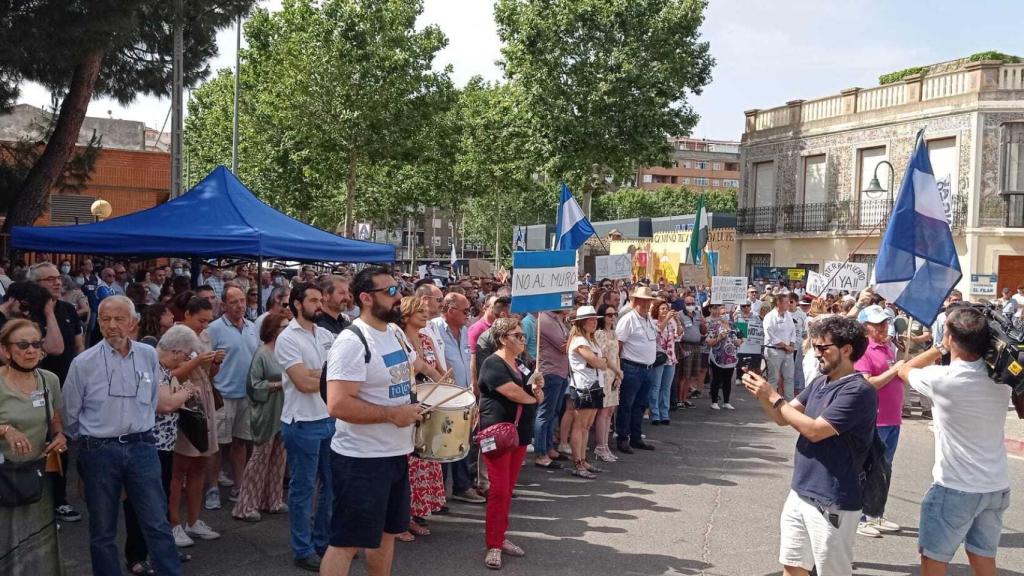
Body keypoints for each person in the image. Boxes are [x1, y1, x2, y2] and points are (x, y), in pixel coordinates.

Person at [742, 315, 876, 576]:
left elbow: (815, 431)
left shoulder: (858, 391)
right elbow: (782, 418)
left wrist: (774, 397)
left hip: (833, 498)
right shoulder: (820, 383)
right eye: (814, 347)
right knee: (793, 566)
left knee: (832, 571)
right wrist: (762, 396)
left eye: (823, 348)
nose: (817, 354)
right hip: (801, 490)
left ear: (846, 349)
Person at [63, 296, 182, 576]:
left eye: (119, 319)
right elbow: (70, 415)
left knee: (156, 522)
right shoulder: (83, 363)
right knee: (103, 529)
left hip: (142, 446)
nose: (112, 326)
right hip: (99, 450)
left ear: (133, 323)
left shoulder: (147, 354)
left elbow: (152, 398)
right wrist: (84, 454)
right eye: (105, 319)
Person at [320, 267, 424, 576]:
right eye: (390, 292)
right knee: (346, 543)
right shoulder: (352, 341)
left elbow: (406, 378)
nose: (399, 297)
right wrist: (392, 415)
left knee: (386, 534)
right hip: (361, 460)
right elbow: (337, 403)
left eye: (399, 289)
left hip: (393, 454)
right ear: (366, 298)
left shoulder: (393, 333)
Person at [897, 305, 1012, 576]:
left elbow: (905, 369)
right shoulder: (1003, 379)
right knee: (983, 556)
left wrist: (939, 348)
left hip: (955, 487)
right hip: (995, 486)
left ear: (950, 338)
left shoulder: (942, 379)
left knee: (933, 560)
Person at [124, 325, 199, 574]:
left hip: (162, 444)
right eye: (187, 355)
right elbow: (165, 404)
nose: (186, 359)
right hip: (149, 445)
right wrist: (187, 392)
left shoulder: (163, 367)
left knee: (160, 500)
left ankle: (160, 552)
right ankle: (137, 556)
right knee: (144, 503)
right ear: (177, 351)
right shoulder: (154, 366)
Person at [274, 282, 335, 572]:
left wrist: (318, 376)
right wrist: (323, 377)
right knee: (302, 490)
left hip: (329, 419)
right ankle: (303, 549)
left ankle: (323, 543)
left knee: (332, 486)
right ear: (297, 303)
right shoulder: (287, 338)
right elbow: (302, 382)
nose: (319, 304)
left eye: (320, 299)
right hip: (301, 423)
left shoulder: (325, 334)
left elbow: (337, 376)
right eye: (313, 300)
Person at [0, 319, 68, 576]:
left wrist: (60, 437)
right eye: (23, 345)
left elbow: (56, 423)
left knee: (36, 547)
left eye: (36, 344)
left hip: (34, 478)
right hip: (3, 479)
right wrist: (6, 429)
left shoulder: (49, 380)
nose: (31, 350)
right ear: (6, 350)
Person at [477, 317, 540, 569]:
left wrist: (538, 387)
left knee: (508, 488)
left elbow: (535, 394)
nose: (523, 340)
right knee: (500, 490)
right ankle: (493, 543)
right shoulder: (493, 363)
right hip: (498, 434)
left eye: (523, 335)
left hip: (519, 433)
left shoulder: (522, 363)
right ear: (503, 338)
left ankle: (500, 537)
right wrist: (533, 398)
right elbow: (513, 393)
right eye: (517, 335)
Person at [27, 262, 84, 523]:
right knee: (37, 444)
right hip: (36, 388)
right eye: (49, 280)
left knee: (60, 444)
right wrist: (49, 313)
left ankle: (60, 500)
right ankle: (35, 501)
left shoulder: (70, 309)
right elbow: (54, 348)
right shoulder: (28, 314)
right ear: (35, 285)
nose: (57, 283)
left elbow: (79, 348)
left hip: (66, 386)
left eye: (58, 278)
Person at [169, 298, 222, 547]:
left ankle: (194, 520)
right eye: (200, 320)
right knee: (179, 467)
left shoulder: (205, 337)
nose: (204, 326)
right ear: (187, 314)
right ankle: (174, 523)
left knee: (201, 463)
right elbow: (169, 373)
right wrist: (196, 362)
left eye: (208, 321)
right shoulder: (175, 336)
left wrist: (216, 363)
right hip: (185, 402)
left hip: (205, 398)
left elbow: (209, 375)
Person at [850, 304, 906, 538]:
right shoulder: (863, 351)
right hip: (876, 419)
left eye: (885, 322)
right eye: (878, 324)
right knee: (869, 469)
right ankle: (860, 516)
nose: (884, 327)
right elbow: (867, 384)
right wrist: (895, 372)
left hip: (893, 419)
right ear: (865, 328)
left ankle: (875, 513)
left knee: (884, 469)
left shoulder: (889, 347)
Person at [231, 312, 290, 523]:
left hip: (285, 410)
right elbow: (253, 386)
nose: (287, 330)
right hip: (266, 412)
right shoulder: (262, 353)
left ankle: (272, 500)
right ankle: (245, 505)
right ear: (273, 330)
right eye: (283, 327)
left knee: (279, 459)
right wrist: (277, 384)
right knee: (259, 459)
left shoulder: (287, 351)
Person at [396, 296, 446, 542]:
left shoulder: (426, 339)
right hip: (406, 404)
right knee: (408, 465)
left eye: (427, 311)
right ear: (406, 314)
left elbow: (431, 367)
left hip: (428, 404)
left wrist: (446, 389)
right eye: (420, 311)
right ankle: (400, 520)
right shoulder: (398, 339)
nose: (426, 314)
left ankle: (414, 514)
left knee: (423, 460)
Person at [204, 285, 259, 506]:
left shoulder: (252, 327)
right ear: (224, 305)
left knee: (240, 444)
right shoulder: (214, 329)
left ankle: (239, 486)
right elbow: (206, 362)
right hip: (222, 394)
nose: (240, 306)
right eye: (234, 302)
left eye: (242, 300)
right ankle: (212, 489)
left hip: (246, 394)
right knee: (217, 446)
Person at [429, 292, 486, 504]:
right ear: (450, 310)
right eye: (465, 311)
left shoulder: (465, 330)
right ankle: (439, 493)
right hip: (443, 398)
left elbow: (468, 359)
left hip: (464, 396)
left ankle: (462, 486)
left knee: (463, 442)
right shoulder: (433, 328)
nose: (468, 315)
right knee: (443, 445)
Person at [614, 286, 659, 453]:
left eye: (649, 301)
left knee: (640, 404)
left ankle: (636, 436)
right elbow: (618, 344)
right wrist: (617, 368)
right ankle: (623, 438)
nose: (648, 304)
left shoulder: (647, 319)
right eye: (645, 301)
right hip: (631, 367)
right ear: (636, 301)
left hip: (647, 368)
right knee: (627, 404)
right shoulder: (628, 319)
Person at [566, 306, 607, 478]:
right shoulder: (579, 341)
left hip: (594, 385)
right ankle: (577, 462)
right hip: (584, 386)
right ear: (581, 323)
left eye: (595, 319)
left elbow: (600, 361)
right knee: (580, 425)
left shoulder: (588, 340)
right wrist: (600, 361)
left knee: (587, 426)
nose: (594, 322)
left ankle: (582, 459)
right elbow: (597, 362)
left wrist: (600, 362)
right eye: (590, 319)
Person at [533, 308, 570, 469]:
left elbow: (566, 342)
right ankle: (541, 453)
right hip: (550, 372)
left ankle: (549, 448)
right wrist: (576, 331)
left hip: (560, 371)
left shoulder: (557, 318)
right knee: (544, 413)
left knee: (553, 412)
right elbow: (564, 346)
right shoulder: (545, 319)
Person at [592, 304, 622, 463]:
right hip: (604, 373)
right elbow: (603, 356)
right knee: (603, 412)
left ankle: (605, 445)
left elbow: (616, 354)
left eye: (614, 314)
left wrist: (619, 372)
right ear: (602, 317)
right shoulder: (599, 333)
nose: (612, 317)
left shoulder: (614, 333)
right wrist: (616, 370)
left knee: (610, 411)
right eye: (609, 315)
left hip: (615, 373)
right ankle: (600, 446)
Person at [649, 299, 678, 425]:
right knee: (656, 387)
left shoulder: (671, 322)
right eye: (662, 309)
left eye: (667, 308)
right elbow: (659, 330)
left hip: (670, 358)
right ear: (657, 310)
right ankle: (655, 414)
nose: (665, 310)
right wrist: (667, 318)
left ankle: (664, 414)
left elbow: (679, 335)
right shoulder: (653, 322)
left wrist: (677, 320)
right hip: (659, 358)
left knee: (666, 387)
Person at [707, 304, 741, 410]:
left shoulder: (733, 326)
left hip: (730, 357)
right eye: (722, 313)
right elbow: (710, 342)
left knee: (728, 380)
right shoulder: (714, 326)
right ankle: (714, 402)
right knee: (716, 379)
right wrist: (719, 337)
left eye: (726, 313)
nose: (725, 315)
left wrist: (738, 341)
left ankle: (726, 402)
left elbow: (740, 338)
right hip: (717, 357)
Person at [763, 294, 797, 400]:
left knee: (789, 377)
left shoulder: (788, 315)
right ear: (778, 303)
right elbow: (770, 336)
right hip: (774, 351)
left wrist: (791, 344)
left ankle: (789, 401)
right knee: (774, 378)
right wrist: (786, 346)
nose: (789, 304)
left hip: (788, 352)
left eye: (790, 302)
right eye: (786, 302)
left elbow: (793, 331)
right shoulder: (770, 317)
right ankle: (772, 401)